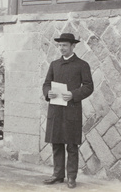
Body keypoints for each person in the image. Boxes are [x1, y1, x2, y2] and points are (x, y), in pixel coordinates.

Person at [42, 33, 94, 189]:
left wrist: (73, 94)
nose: (61, 48)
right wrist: (47, 93)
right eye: (60, 45)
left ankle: (71, 177)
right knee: (56, 143)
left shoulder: (82, 65)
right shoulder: (54, 64)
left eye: (65, 45)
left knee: (71, 145)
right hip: (56, 109)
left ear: (73, 46)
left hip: (72, 110)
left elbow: (88, 87)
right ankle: (58, 175)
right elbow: (46, 84)